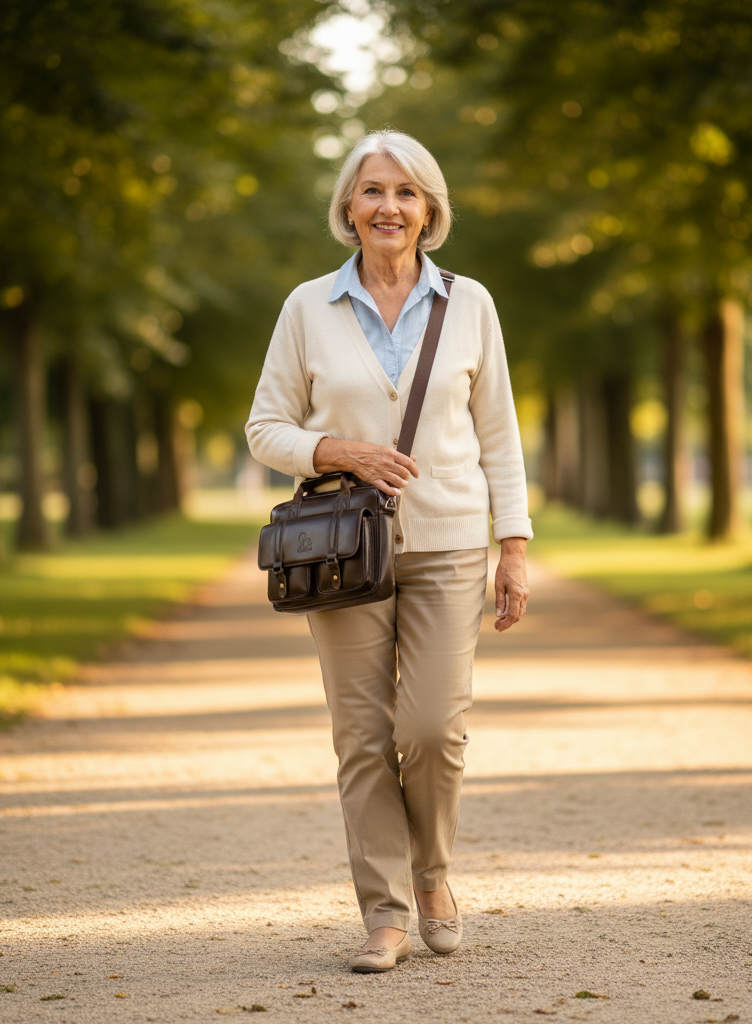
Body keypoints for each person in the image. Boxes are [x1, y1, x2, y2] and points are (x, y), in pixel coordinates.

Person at [245, 129, 531, 973]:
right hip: (340, 552)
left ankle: (433, 874)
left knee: (434, 728)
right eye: (371, 191)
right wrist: (338, 451)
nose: (388, 207)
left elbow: (500, 437)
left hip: (446, 543)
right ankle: (385, 914)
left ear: (430, 209)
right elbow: (265, 428)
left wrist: (512, 548)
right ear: (347, 209)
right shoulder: (307, 308)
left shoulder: (470, 305)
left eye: (405, 192)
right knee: (361, 737)